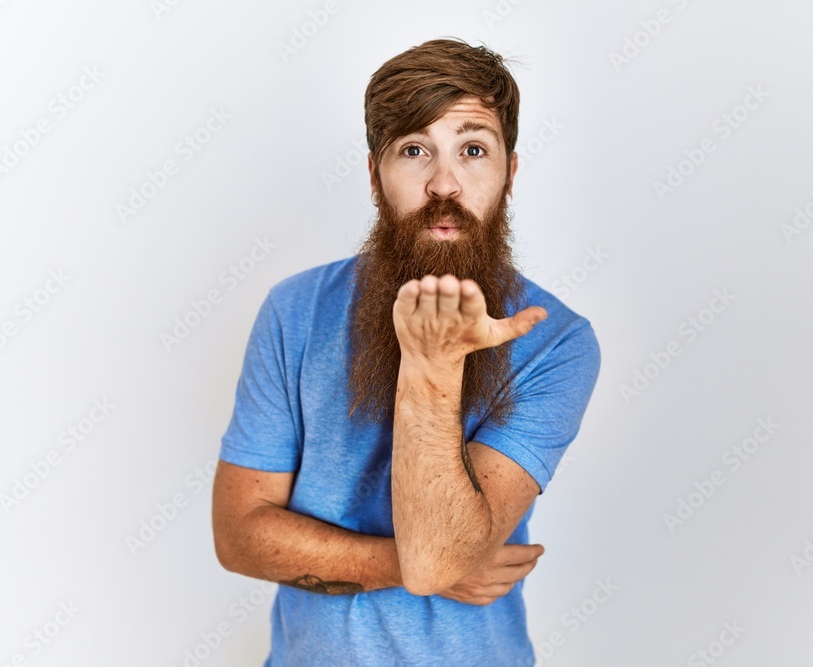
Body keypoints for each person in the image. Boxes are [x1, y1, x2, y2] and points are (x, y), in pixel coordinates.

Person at [211, 37, 601, 666]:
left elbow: (438, 558)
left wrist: (433, 365)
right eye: (415, 150)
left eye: (473, 150)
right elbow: (238, 536)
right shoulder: (294, 310)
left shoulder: (555, 341)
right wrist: (426, 564)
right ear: (374, 177)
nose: (444, 183)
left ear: (510, 174)